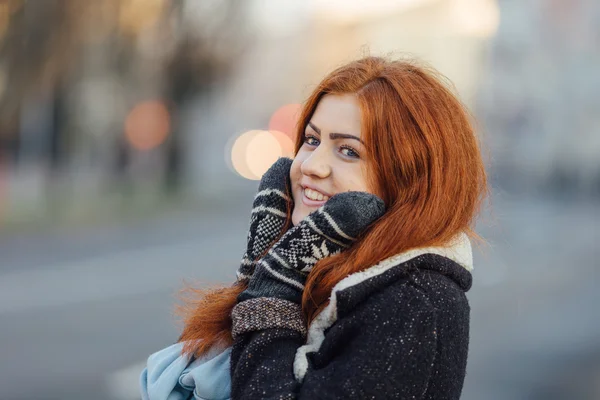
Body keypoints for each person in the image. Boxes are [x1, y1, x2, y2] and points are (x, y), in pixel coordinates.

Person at [140, 56, 488, 400]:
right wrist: (263, 267)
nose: (311, 166)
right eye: (312, 140)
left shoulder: (414, 301)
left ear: (408, 177)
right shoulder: (329, 268)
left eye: (348, 151)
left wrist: (273, 287)